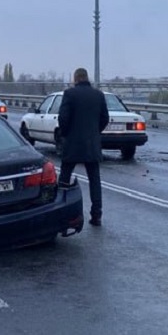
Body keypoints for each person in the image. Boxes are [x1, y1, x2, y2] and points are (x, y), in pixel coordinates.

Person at [57, 67, 110, 226]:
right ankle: (97, 215)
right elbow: (105, 118)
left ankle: (60, 212)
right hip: (91, 144)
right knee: (95, 180)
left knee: (64, 179)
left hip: (72, 143)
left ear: (75, 78)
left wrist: (65, 134)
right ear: (87, 78)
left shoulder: (69, 94)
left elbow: (63, 118)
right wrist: (95, 132)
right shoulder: (98, 95)